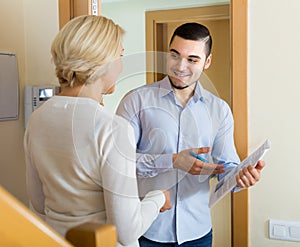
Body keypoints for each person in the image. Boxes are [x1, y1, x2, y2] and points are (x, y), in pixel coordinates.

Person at [23, 15, 172, 247]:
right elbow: (126, 231)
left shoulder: (37, 119)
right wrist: (156, 198)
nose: (122, 65)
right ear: (102, 62)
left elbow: (39, 203)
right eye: (120, 56)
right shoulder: (112, 128)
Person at [116, 22, 265, 247]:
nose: (180, 66)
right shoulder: (135, 101)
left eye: (192, 59)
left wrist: (241, 177)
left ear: (207, 62)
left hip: (198, 234)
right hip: (145, 230)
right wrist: (173, 161)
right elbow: (118, 163)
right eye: (174, 55)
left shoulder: (219, 110)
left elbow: (227, 169)